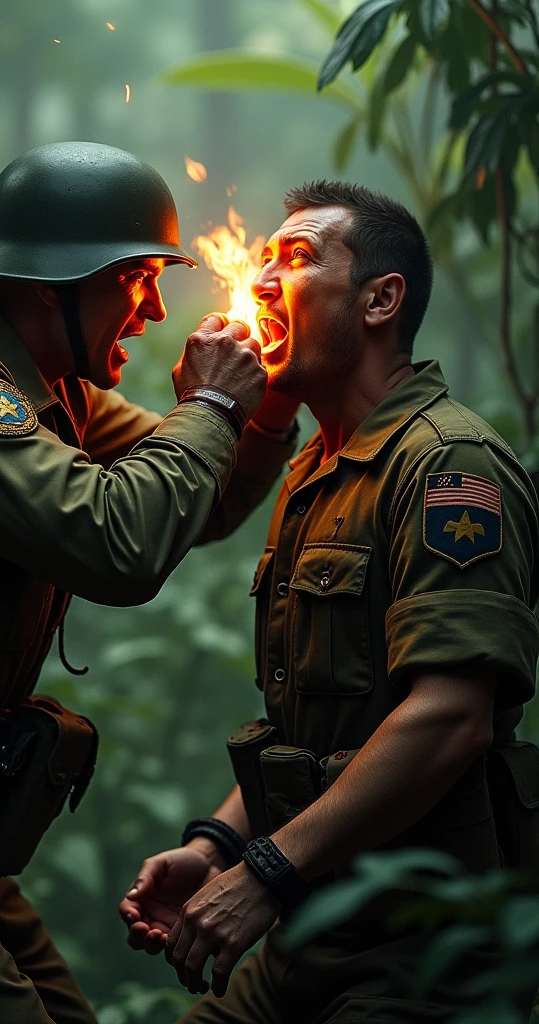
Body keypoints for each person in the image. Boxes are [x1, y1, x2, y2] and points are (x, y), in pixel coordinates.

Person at [0, 141, 301, 1024]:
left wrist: (267, 397)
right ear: (50, 283)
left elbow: (199, 505)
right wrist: (209, 407)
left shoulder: (53, 388)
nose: (154, 307)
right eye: (134, 278)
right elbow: (115, 545)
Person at [121, 180, 539, 1023]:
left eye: (297, 259)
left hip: (418, 945)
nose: (261, 280)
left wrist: (266, 874)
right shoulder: (313, 470)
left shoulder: (450, 466)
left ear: (381, 299)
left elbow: (450, 718)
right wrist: (217, 848)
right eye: (261, 259)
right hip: (306, 934)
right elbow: (313, 735)